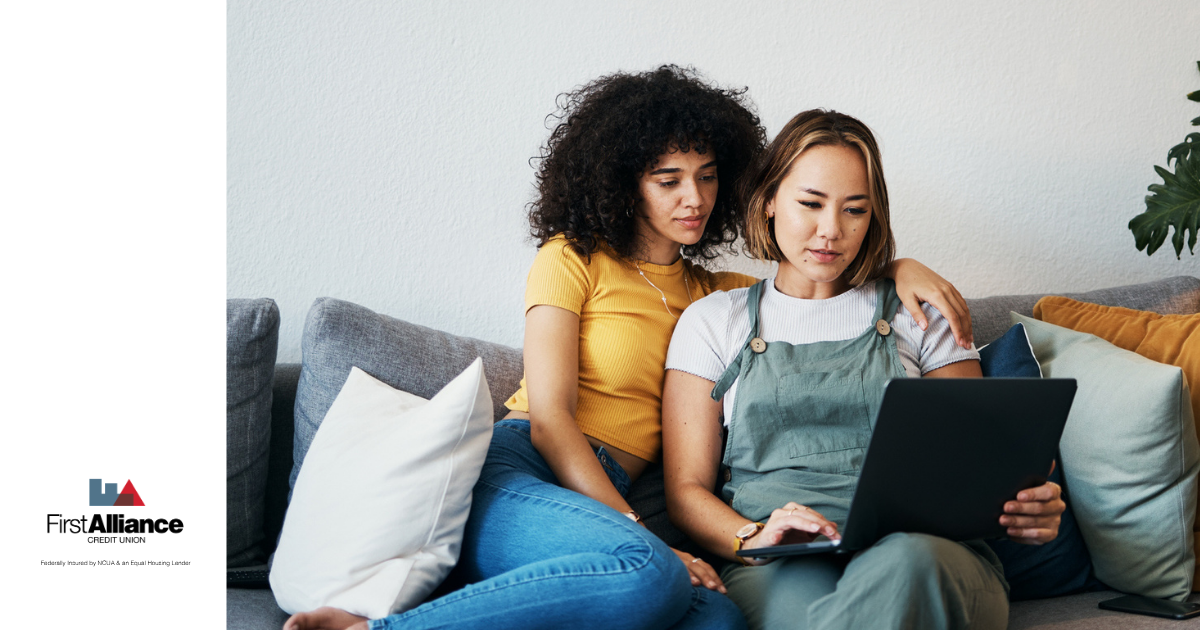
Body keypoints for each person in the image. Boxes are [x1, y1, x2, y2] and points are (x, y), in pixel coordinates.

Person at [285, 69, 976, 630]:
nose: (694, 197)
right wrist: (639, 532)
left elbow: (815, 279)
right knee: (647, 572)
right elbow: (552, 418)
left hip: (609, 497)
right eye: (667, 179)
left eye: (707, 175)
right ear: (623, 182)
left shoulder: (719, 296)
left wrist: (898, 266)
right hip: (525, 469)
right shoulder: (571, 259)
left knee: (720, 623)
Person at [661, 109, 1065, 630]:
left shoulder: (919, 314)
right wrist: (751, 537)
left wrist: (1030, 502)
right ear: (767, 202)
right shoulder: (714, 322)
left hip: (927, 553)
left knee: (907, 566)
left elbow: (977, 461)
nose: (831, 231)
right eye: (810, 203)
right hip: (785, 560)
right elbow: (686, 491)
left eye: (855, 210)